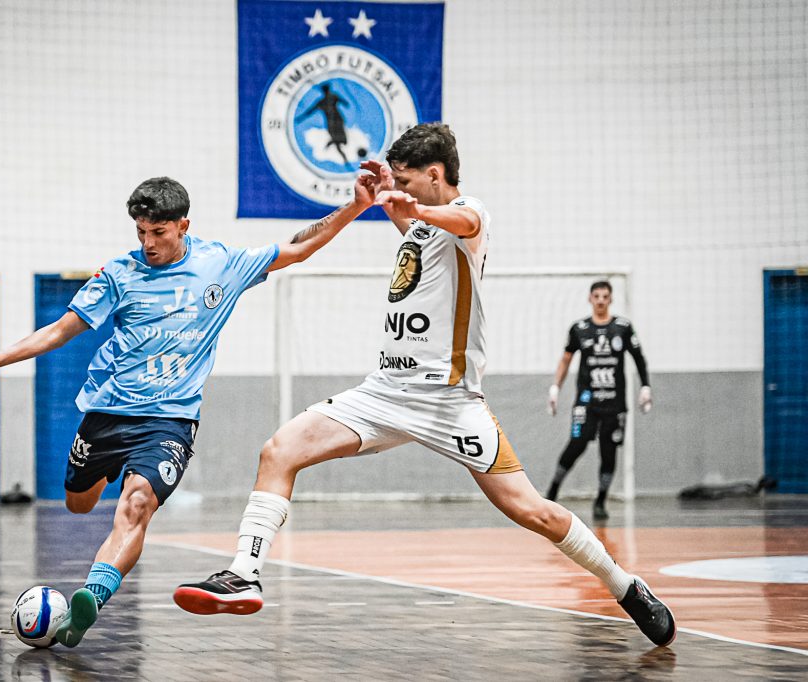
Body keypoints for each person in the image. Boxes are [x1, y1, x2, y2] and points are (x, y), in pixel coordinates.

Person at [174, 124, 677, 648]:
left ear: (435, 176)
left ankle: (625, 586)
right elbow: (412, 225)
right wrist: (377, 198)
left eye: (411, 181)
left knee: (534, 512)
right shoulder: (418, 225)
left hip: (449, 402)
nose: (405, 191)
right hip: (385, 392)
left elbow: (459, 218)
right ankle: (243, 575)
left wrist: (413, 207)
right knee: (279, 450)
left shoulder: (470, 216)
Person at [0, 175, 380, 648]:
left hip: (169, 421)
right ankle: (96, 491)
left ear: (183, 225)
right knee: (79, 502)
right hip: (107, 413)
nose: (148, 243)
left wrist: (354, 208)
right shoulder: (119, 274)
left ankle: (91, 598)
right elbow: (58, 331)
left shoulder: (221, 264)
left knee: (136, 506)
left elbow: (298, 247)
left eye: (158, 233)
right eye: (141, 233)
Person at [545, 281, 651, 521]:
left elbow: (639, 358)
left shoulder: (623, 328)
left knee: (609, 451)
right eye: (597, 296)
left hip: (614, 403)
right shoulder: (579, 329)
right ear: (590, 299)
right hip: (587, 400)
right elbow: (566, 359)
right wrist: (555, 387)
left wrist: (645, 386)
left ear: (610, 299)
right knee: (577, 443)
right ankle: (552, 492)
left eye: (605, 296)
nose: (601, 300)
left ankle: (601, 500)